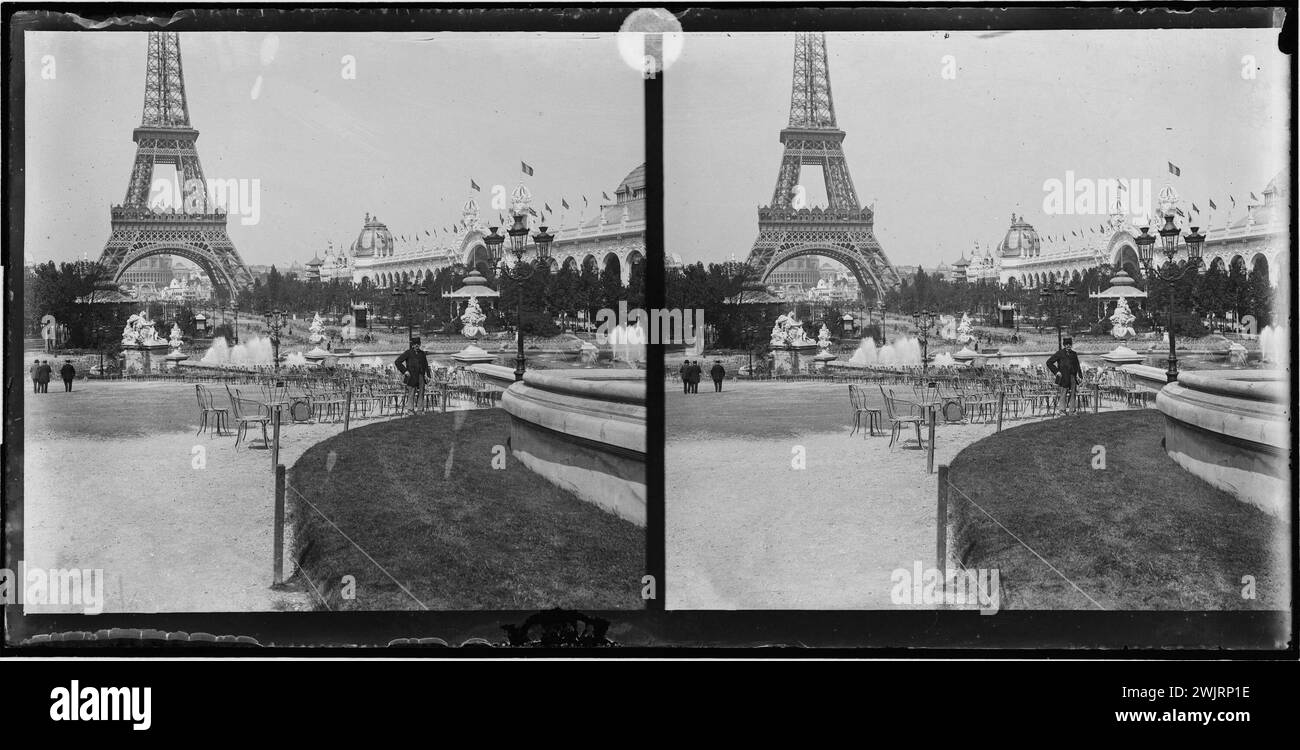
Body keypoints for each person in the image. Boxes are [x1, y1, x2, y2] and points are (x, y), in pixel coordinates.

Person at [393, 336, 431, 416]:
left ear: (420, 344)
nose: (416, 345)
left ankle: (420, 410)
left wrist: (428, 375)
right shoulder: (408, 353)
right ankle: (410, 410)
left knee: (421, 393)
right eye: (415, 344)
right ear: (412, 345)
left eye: (418, 344)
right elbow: (397, 362)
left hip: (421, 376)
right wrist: (405, 371)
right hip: (411, 376)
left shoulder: (422, 353)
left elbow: (426, 365)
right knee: (411, 393)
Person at [1046, 337, 1083, 416]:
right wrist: (1056, 372)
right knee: (1063, 393)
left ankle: (1072, 411)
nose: (1068, 346)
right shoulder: (1060, 353)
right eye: (1066, 344)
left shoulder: (1074, 354)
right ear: (1064, 345)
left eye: (1070, 344)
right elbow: (1049, 362)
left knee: (1073, 394)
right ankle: (1062, 411)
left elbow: (1077, 365)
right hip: (1063, 377)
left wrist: (1080, 376)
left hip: (1072, 376)